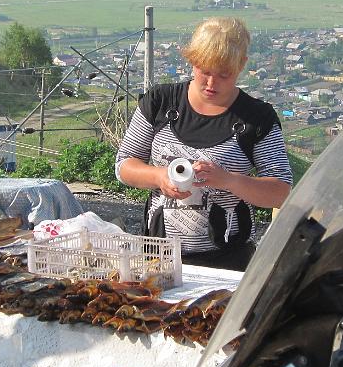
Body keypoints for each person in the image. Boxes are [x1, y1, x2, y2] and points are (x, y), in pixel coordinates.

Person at [115, 16, 292, 271]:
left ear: (241, 65)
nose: (211, 83)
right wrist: (160, 177)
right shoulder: (160, 102)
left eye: (223, 75)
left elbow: (281, 192)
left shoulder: (257, 117)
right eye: (204, 70)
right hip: (157, 256)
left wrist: (227, 180)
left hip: (228, 261)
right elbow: (124, 165)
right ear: (191, 60)